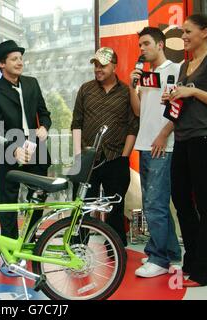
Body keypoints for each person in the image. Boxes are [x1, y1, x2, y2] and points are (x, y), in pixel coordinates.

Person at [163, 14, 207, 287]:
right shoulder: (185, 65)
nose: (184, 36)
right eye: (183, 32)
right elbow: (180, 108)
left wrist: (192, 93)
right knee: (180, 199)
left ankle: (205, 273)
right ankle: (193, 260)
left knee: (206, 205)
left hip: (204, 140)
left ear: (205, 32)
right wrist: (172, 98)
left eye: (188, 31)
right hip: (182, 139)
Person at [0, 40, 52, 240]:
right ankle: (9, 247)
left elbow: (44, 113)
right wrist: (13, 150)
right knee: (8, 203)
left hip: (36, 149)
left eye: (21, 58)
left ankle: (30, 239)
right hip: (9, 151)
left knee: (38, 198)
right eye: (14, 59)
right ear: (1, 64)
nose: (20, 62)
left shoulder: (32, 84)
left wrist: (44, 127)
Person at [71, 47, 139, 246]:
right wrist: (78, 156)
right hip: (87, 158)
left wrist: (124, 157)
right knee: (82, 206)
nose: (98, 69)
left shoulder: (127, 91)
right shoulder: (86, 89)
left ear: (114, 66)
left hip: (116, 157)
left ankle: (116, 248)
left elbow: (132, 126)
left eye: (103, 65)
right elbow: (76, 123)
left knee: (115, 207)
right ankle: (77, 245)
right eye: (96, 65)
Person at [129, 27, 182, 278]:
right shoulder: (146, 76)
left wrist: (163, 134)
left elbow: (178, 109)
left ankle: (158, 257)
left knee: (154, 204)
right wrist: (133, 86)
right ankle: (172, 254)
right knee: (156, 204)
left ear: (160, 44)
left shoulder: (175, 69)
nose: (142, 49)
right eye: (140, 45)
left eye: (146, 44)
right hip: (145, 144)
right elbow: (139, 111)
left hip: (163, 145)